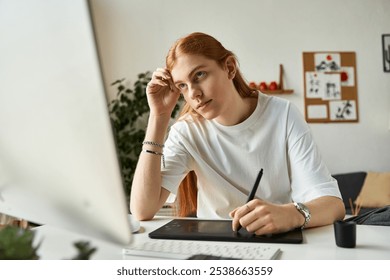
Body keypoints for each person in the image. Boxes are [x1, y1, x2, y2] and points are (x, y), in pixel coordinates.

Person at [130, 32, 345, 235]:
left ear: (229, 68)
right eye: (182, 86)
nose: (194, 93)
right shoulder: (187, 132)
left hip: (276, 239)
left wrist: (291, 214)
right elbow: (142, 210)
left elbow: (333, 205)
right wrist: (158, 117)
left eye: (200, 75)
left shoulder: (282, 114)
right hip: (213, 245)